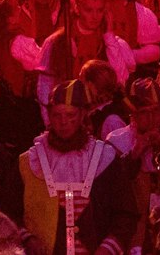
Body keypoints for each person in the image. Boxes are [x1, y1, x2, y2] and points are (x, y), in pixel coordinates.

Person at [18, 81, 136, 255]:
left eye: (70, 114)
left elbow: (126, 214)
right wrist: (29, 240)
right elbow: (10, 212)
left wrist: (107, 249)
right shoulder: (30, 162)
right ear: (49, 116)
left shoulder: (105, 158)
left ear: (82, 115)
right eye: (57, 115)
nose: (63, 122)